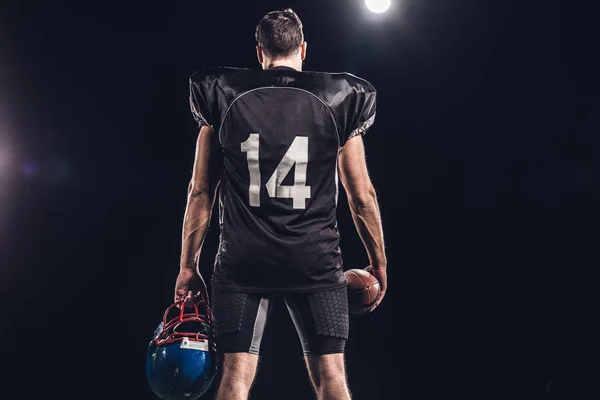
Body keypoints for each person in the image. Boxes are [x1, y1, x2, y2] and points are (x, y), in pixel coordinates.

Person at [173, 8, 387, 400]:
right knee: (332, 380)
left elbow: (200, 190)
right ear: (303, 49)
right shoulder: (339, 98)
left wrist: (189, 266)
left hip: (243, 259)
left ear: (259, 52)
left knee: (235, 380)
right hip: (315, 259)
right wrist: (379, 263)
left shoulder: (224, 94)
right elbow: (362, 196)